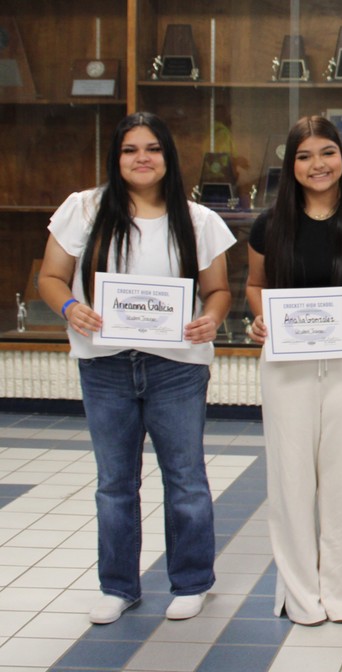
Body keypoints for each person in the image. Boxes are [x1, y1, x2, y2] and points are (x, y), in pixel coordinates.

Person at [37, 112, 235, 624]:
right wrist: (69, 309)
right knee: (114, 482)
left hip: (177, 366)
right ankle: (118, 586)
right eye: (130, 150)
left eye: (152, 148)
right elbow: (51, 278)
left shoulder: (198, 220)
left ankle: (191, 582)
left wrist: (210, 320)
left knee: (186, 478)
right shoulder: (83, 209)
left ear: (168, 156)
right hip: (104, 365)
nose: (141, 158)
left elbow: (218, 291)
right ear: (116, 156)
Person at [244, 116, 342, 625]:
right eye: (304, 156)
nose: (317, 164)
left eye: (326, 152)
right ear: (291, 164)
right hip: (286, 366)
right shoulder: (270, 225)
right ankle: (300, 594)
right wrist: (261, 319)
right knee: (290, 479)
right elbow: (256, 286)